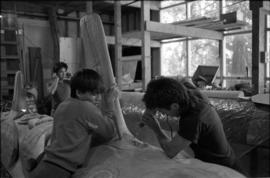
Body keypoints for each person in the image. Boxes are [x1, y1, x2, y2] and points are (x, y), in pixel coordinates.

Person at [142, 77, 242, 173]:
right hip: (218, 161)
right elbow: (165, 83)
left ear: (175, 106)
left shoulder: (193, 118)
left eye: (162, 111)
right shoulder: (189, 93)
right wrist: (150, 107)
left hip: (220, 170)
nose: (162, 114)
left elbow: (170, 151)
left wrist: (156, 129)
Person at [30, 69, 117, 178]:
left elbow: (79, 133)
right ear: (79, 92)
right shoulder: (86, 107)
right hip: (59, 169)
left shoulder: (63, 105)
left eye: (99, 94)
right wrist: (109, 105)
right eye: (94, 95)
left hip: (46, 162)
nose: (98, 98)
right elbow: (109, 131)